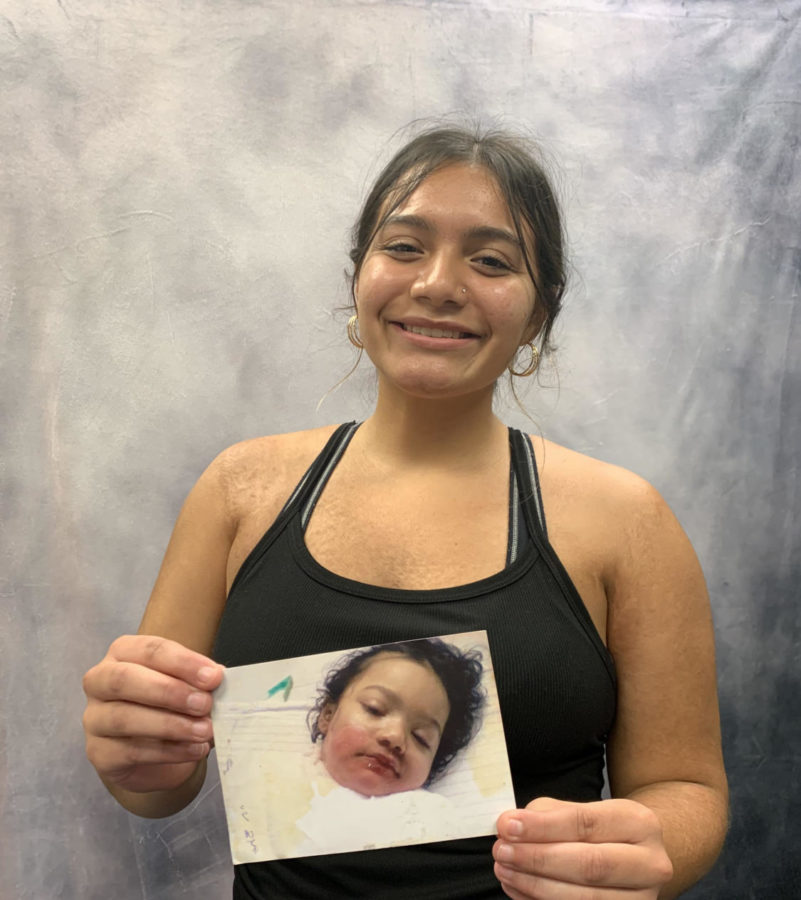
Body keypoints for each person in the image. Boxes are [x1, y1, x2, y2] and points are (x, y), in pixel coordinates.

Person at [82, 123, 728, 899]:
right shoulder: (239, 491)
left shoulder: (625, 523)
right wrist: (135, 753)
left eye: (490, 261)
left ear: (538, 314)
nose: (436, 285)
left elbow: (686, 789)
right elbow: (158, 787)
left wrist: (651, 850)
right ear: (359, 279)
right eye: (404, 247)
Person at [308, 638, 485, 796]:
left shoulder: (430, 818)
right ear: (328, 715)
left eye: (421, 737)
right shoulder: (283, 775)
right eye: (374, 709)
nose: (395, 737)